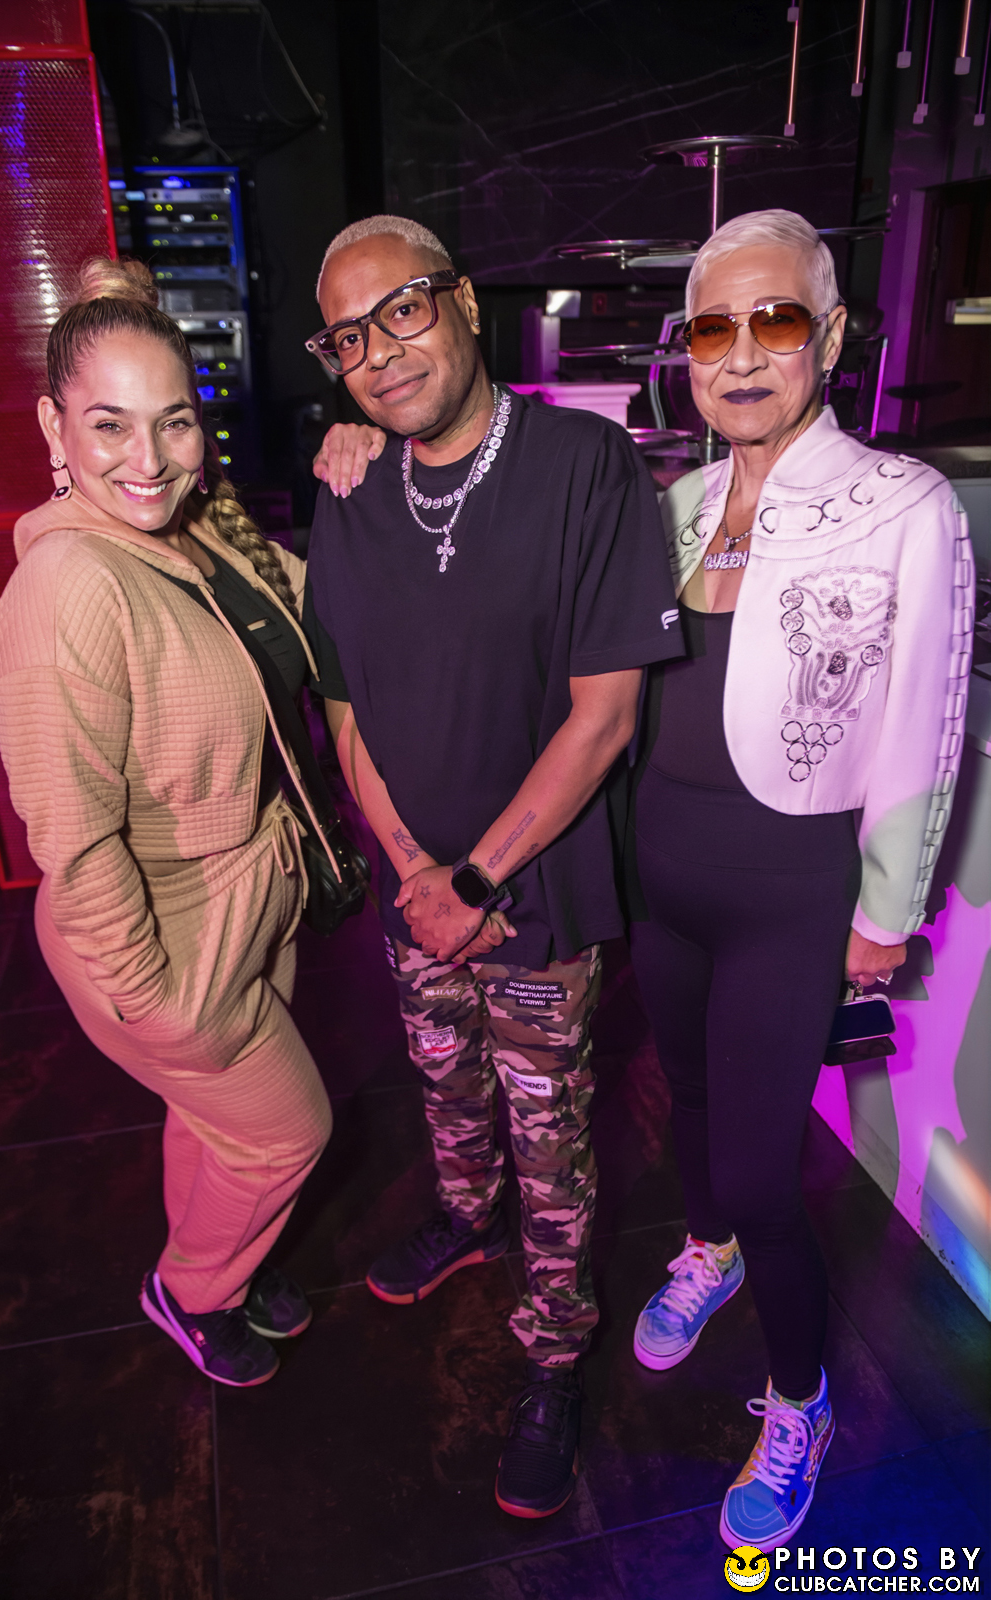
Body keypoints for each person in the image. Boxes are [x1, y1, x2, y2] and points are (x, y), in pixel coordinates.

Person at [302, 215, 682, 1518]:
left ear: (462, 301)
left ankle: (554, 1349)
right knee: (444, 1088)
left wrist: (469, 884)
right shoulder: (348, 490)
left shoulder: (583, 465)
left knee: (547, 1130)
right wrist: (414, 870)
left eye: (400, 311)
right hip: (412, 895)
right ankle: (464, 1220)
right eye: (347, 337)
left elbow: (604, 716)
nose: (378, 352)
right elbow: (342, 704)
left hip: (532, 899)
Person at [624, 209, 972, 1550]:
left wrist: (884, 911)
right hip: (663, 873)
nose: (738, 354)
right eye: (709, 328)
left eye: (771, 320)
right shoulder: (673, 506)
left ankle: (798, 1402)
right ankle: (703, 1251)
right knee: (689, 1099)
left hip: (787, 889)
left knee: (765, 1173)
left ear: (825, 337)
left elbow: (925, 716)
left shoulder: (901, 504)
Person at [0, 259, 336, 1389]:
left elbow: (310, 604)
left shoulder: (190, 532)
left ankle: (230, 1258)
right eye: (109, 425)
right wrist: (151, 994)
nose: (148, 458)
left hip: (251, 892)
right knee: (287, 1131)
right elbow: (73, 840)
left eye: (172, 421)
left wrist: (372, 473)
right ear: (55, 427)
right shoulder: (68, 590)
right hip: (162, 933)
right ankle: (190, 1289)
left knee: (219, 1124)